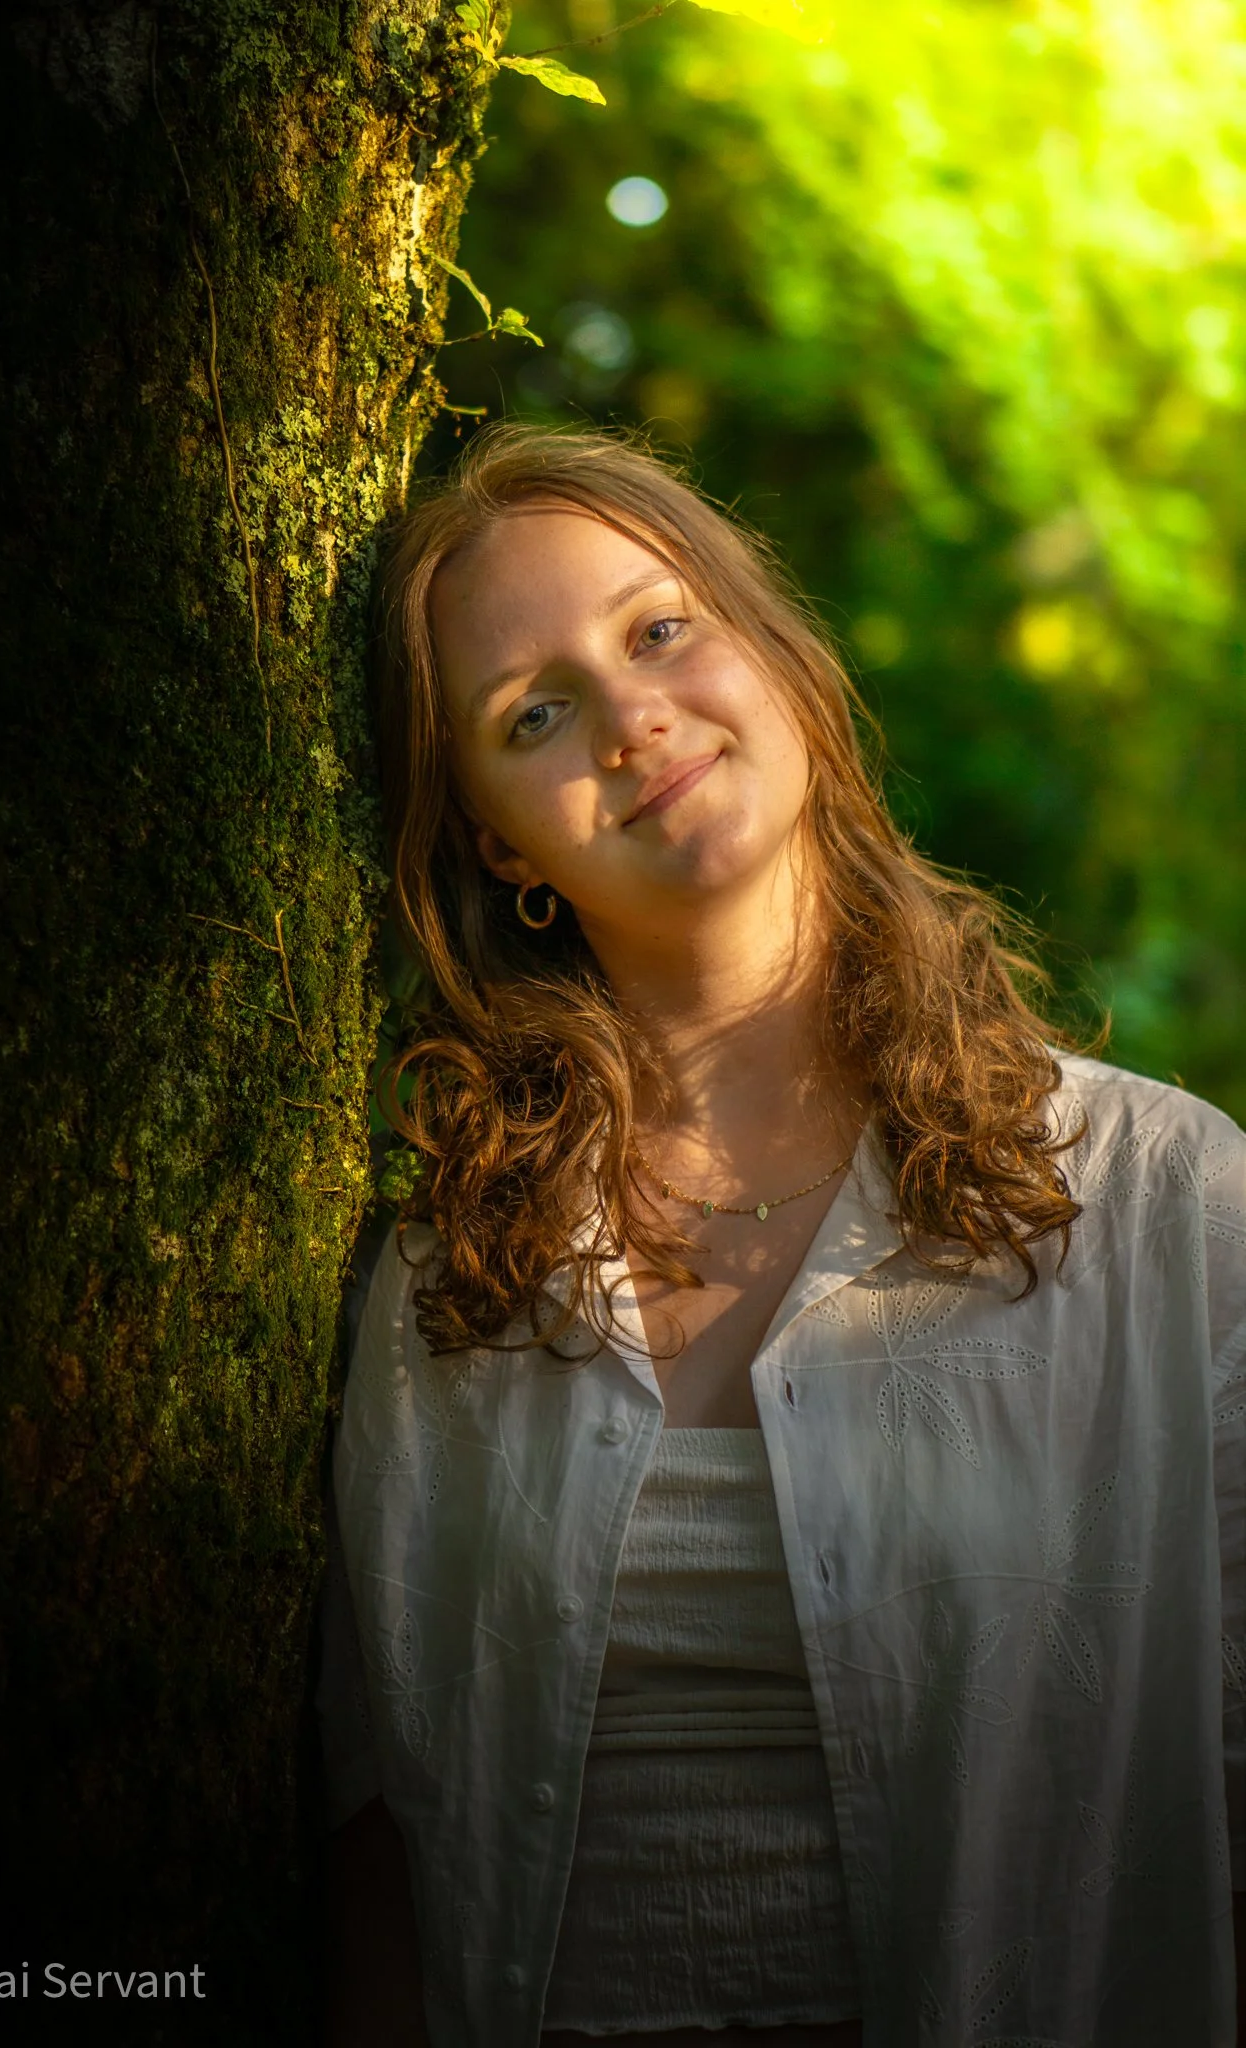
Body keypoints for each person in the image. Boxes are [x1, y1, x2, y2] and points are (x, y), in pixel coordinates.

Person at [318, 422, 1245, 2048]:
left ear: (785, 661)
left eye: (660, 628)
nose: (628, 717)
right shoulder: (443, 1284)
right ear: (494, 841)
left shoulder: (1169, 1207)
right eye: (532, 712)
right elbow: (380, 1853)